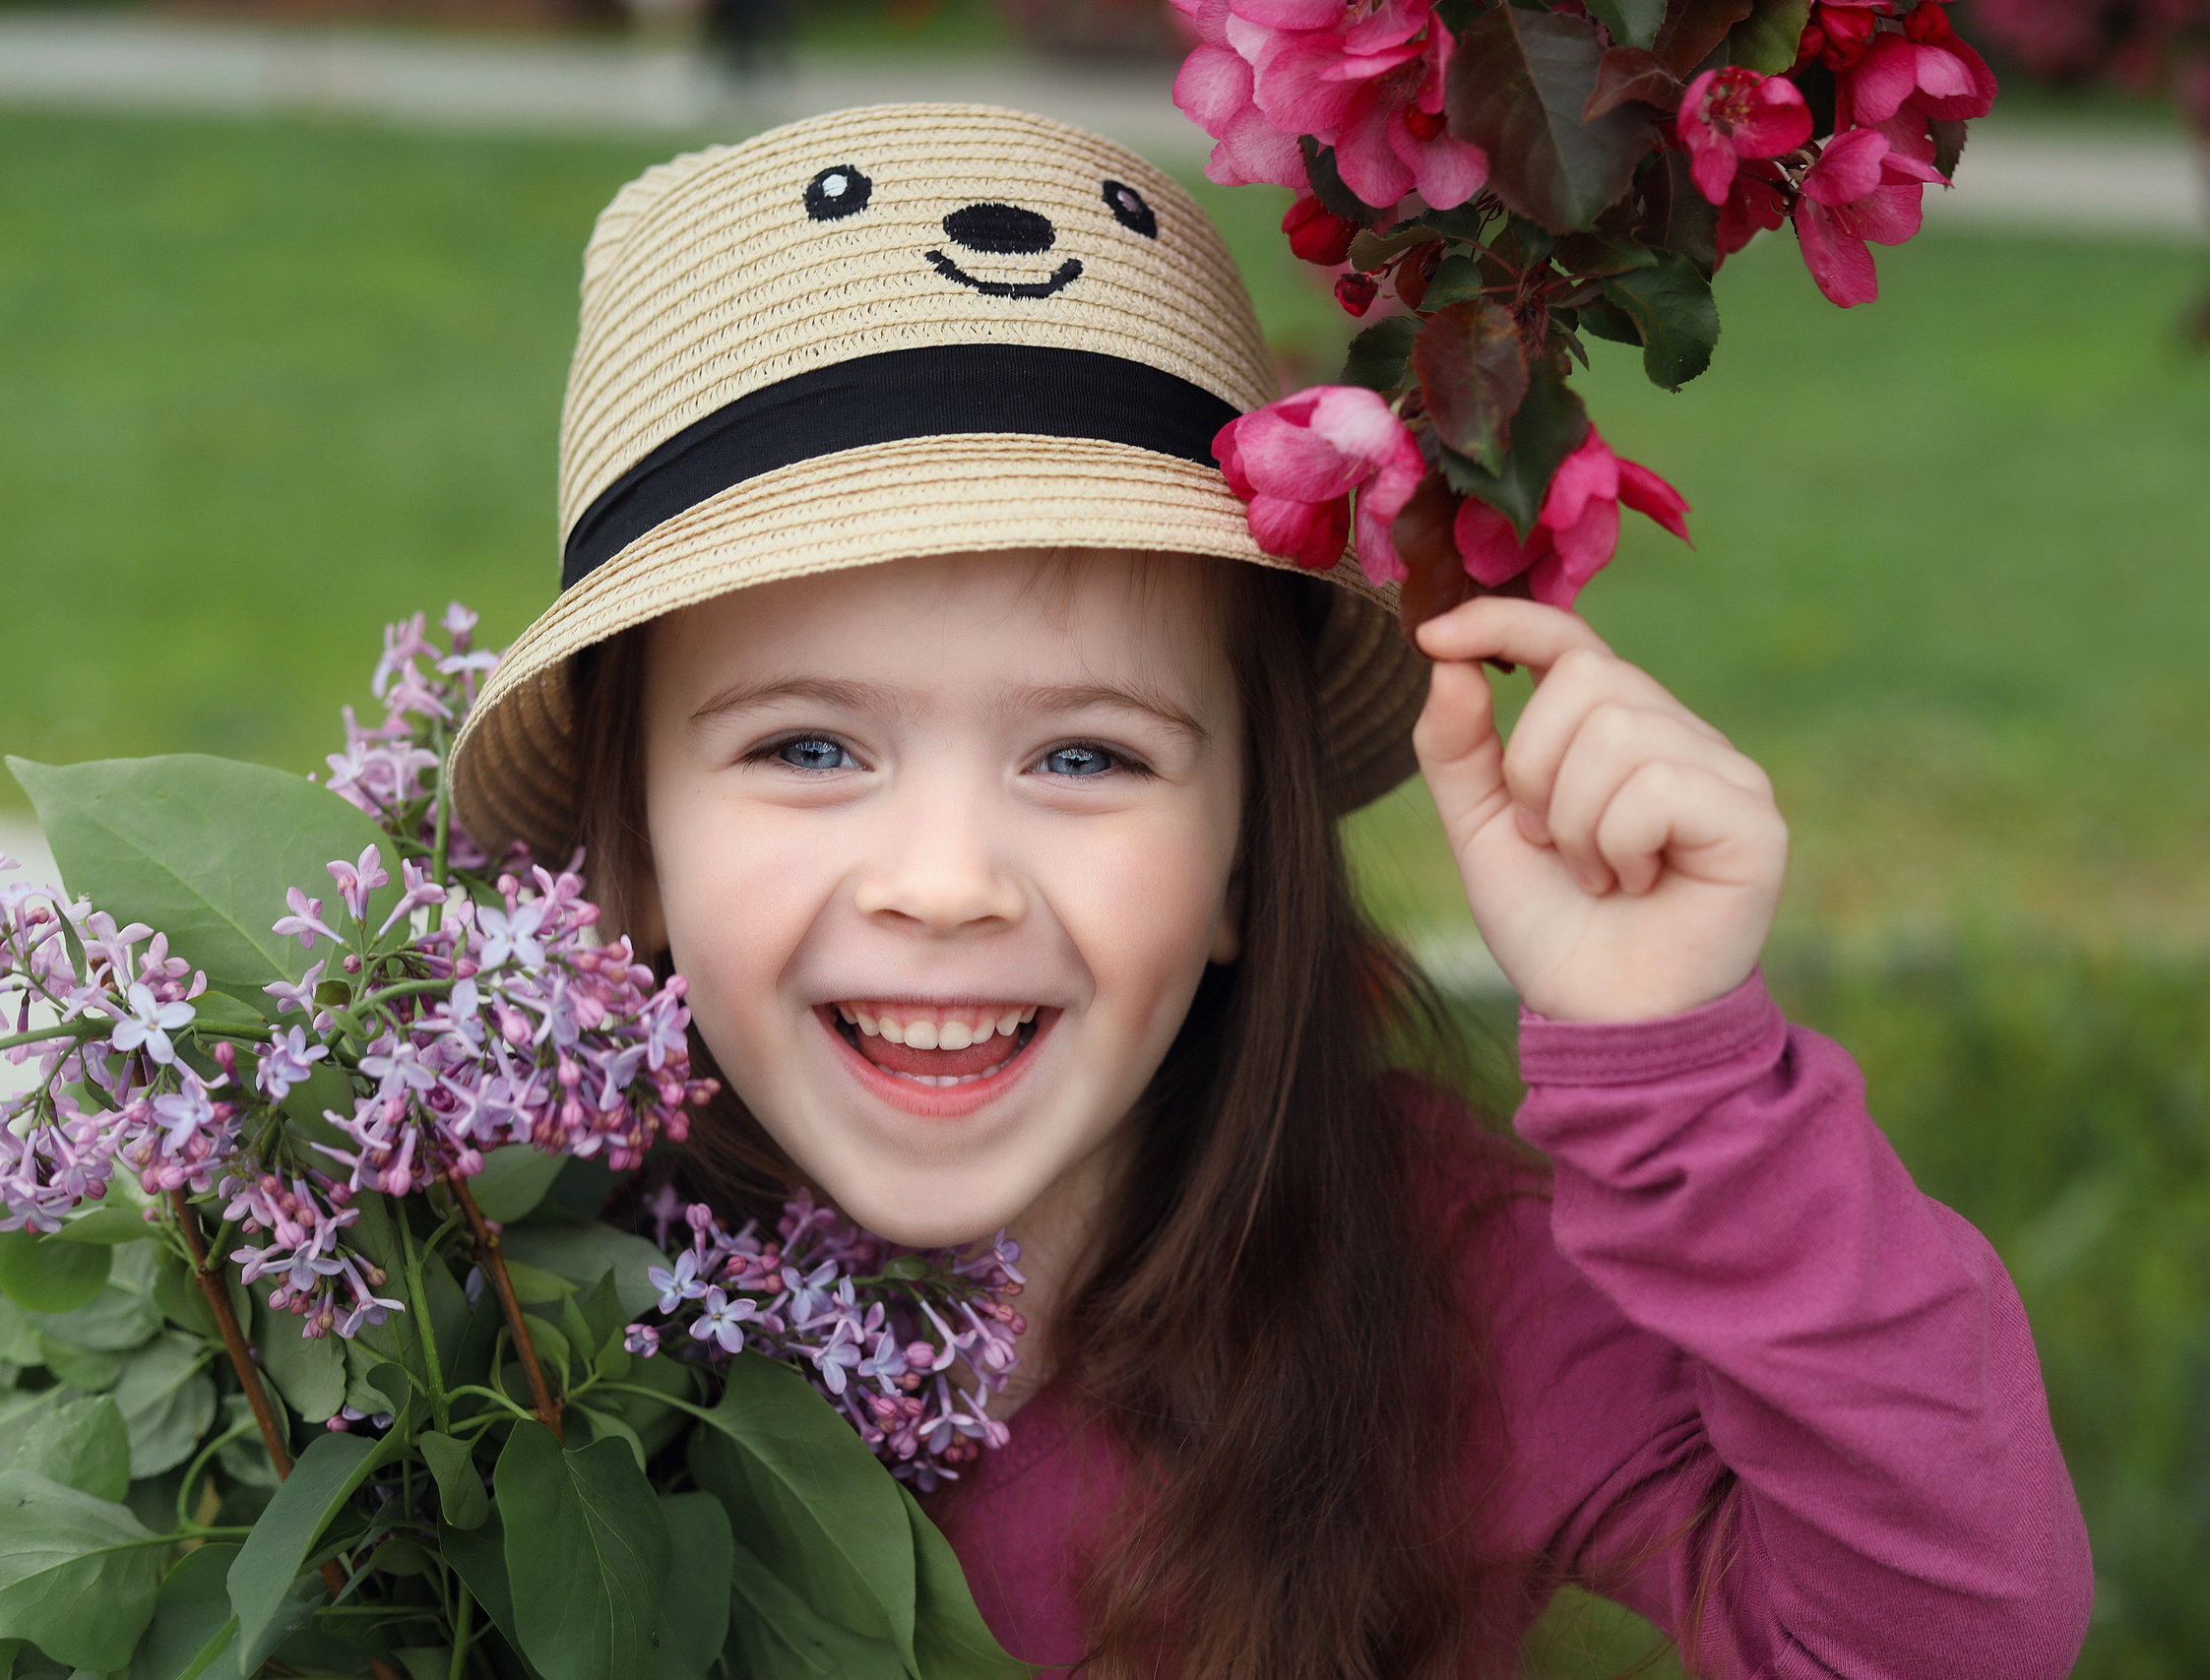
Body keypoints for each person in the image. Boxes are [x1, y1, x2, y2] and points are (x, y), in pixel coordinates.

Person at [447, 103, 2093, 1680]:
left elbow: (1947, 1643)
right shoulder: (478, 1314)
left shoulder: (1437, 1287)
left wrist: (1690, 1084)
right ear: (635, 845)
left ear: (1246, 850)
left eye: (1086, 756)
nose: (945, 885)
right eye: (808, 749)